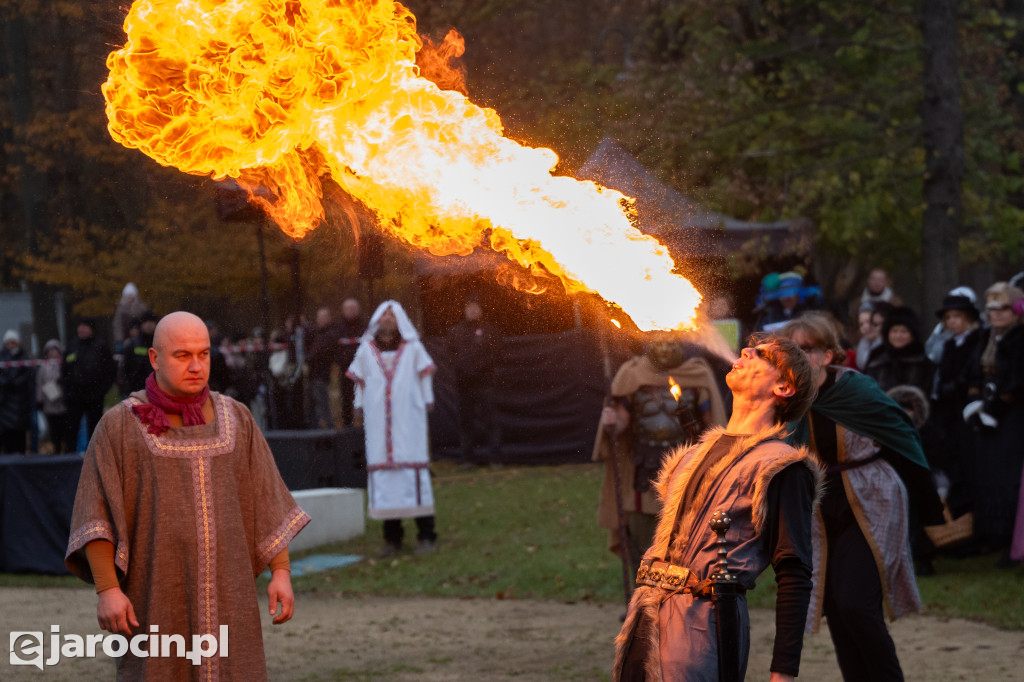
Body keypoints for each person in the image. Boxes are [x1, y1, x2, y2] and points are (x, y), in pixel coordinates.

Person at [64, 311, 310, 680]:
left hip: (231, 594)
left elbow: (266, 498)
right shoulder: (119, 426)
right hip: (156, 593)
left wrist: (281, 572)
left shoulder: (238, 419)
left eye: (204, 354)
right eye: (182, 355)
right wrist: (108, 589)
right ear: (154, 358)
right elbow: (96, 511)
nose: (196, 365)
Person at [612, 336, 821, 682]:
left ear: (784, 387)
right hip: (645, 620)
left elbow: (794, 571)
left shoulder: (782, 467)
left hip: (704, 628)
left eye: (762, 355)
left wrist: (783, 673)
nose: (745, 353)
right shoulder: (690, 457)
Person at [778, 312, 944, 682]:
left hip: (871, 499)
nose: (802, 356)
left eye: (809, 347)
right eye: (794, 349)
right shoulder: (785, 401)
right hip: (820, 509)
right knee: (835, 607)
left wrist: (931, 512)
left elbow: (904, 438)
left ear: (827, 353)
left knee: (855, 603)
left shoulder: (855, 390)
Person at [594, 334, 727, 579]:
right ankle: (643, 607)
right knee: (643, 545)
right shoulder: (632, 373)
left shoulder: (697, 374)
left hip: (685, 467)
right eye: (660, 341)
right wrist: (611, 422)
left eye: (670, 341)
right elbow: (622, 421)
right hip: (643, 470)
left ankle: (676, 608)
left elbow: (712, 425)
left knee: (683, 544)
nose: (665, 348)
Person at [347, 301, 438, 556]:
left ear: (399, 319)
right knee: (386, 480)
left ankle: (426, 534)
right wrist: (358, 405)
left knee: (413, 474)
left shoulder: (412, 348)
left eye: (392, 314)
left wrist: (426, 402)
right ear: (377, 318)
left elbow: (424, 376)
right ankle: (392, 538)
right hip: (378, 425)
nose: (387, 318)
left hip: (408, 422)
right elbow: (360, 382)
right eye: (383, 314)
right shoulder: (366, 349)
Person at [963, 282, 1024, 565]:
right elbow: (973, 371)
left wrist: (997, 408)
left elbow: (1017, 380)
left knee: (1007, 478)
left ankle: (1010, 541)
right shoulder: (985, 337)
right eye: (991, 309)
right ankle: (989, 534)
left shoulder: (1019, 339)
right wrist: (975, 402)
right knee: (984, 474)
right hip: (985, 414)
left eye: (1002, 309)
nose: (996, 314)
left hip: (1011, 418)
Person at [930, 292, 982, 519]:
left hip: (970, 412)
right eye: (948, 317)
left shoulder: (977, 340)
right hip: (950, 414)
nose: (952, 321)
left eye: (957, 316)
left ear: (968, 317)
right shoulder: (950, 344)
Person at [445, 295, 503, 467]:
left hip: (486, 383)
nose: (472, 310)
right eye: (469, 307)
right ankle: (467, 459)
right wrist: (463, 370)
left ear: (481, 309)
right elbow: (449, 355)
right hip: (464, 384)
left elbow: (496, 353)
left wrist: (479, 369)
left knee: (491, 422)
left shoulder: (491, 330)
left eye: (475, 307)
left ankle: (495, 459)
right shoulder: (455, 332)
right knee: (466, 423)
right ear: (464, 310)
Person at [62, 317, 116, 446]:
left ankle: (95, 456)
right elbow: (64, 370)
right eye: (80, 326)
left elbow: (110, 370)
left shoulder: (100, 346)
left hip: (94, 397)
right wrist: (67, 391)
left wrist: (101, 391)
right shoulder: (72, 345)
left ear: (92, 329)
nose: (81, 329)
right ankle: (69, 458)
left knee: (95, 430)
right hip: (74, 397)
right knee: (71, 429)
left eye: (85, 326)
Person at [864, 305, 934, 395]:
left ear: (913, 334)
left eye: (904, 331)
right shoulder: (877, 364)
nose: (898, 336)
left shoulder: (923, 365)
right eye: (894, 331)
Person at [0, 330, 35, 454]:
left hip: (21, 402)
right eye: (8, 343)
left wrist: (14, 383)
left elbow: (28, 377)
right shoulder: (2, 358)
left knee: (20, 434)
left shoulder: (23, 358)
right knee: (7, 435)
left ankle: (20, 456)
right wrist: (7, 383)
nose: (10, 345)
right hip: (5, 403)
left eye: (12, 342)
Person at [35, 339, 72, 454]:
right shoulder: (42, 367)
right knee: (54, 430)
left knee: (66, 431)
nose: (52, 352)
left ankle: (66, 451)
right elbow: (39, 383)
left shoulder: (64, 364)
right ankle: (56, 450)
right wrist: (39, 399)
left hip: (63, 404)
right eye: (50, 350)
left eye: (54, 350)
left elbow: (68, 381)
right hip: (49, 405)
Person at [306, 306, 340, 429]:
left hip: (323, 375)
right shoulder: (317, 333)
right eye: (318, 317)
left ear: (329, 318)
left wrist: (308, 356)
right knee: (317, 405)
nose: (320, 320)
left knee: (323, 406)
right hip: (315, 375)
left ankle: (329, 433)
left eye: (323, 317)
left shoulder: (330, 333)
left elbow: (316, 352)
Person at [336, 297, 366, 427]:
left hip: (364, 372)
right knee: (346, 400)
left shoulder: (365, 327)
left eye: (353, 308)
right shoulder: (338, 328)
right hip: (345, 371)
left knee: (365, 399)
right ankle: (348, 427)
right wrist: (342, 360)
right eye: (348, 309)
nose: (351, 311)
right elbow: (333, 348)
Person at [120, 310, 159, 396]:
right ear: (141, 324)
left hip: (158, 389)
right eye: (146, 321)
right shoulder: (132, 344)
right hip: (137, 388)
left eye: (151, 321)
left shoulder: (160, 343)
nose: (149, 324)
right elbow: (126, 368)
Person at [112, 282, 148, 351]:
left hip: (140, 338)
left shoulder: (141, 308)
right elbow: (118, 325)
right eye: (128, 296)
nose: (130, 298)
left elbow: (144, 321)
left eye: (131, 296)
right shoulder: (120, 309)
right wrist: (119, 339)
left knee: (139, 352)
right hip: (125, 337)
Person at [854, 304, 882, 370]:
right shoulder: (863, 343)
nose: (865, 327)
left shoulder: (887, 344)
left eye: (869, 321)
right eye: (861, 324)